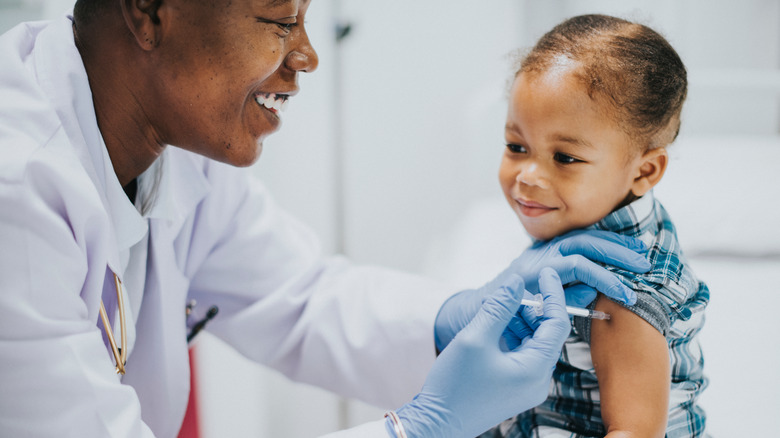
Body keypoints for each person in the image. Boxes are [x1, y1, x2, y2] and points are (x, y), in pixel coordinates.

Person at [0, 2, 652, 437]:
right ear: (148, 10)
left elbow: (302, 300)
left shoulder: (179, 155)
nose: (306, 55)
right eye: (280, 20)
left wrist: (457, 319)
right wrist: (418, 426)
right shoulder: (16, 188)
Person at [480, 14, 710, 438]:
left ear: (644, 171)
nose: (528, 175)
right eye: (517, 146)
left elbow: (635, 431)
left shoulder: (621, 292)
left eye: (565, 158)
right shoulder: (600, 216)